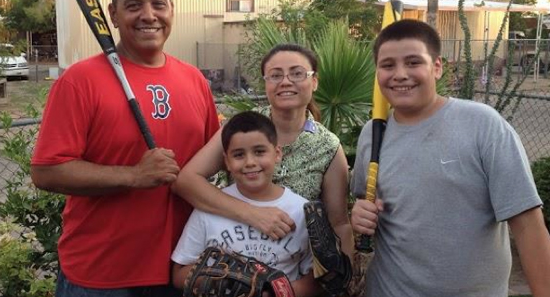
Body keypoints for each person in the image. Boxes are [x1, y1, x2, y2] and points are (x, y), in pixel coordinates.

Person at [30, 0, 220, 296]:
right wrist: (133, 176)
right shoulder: (79, 81)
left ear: (171, 10)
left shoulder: (195, 81)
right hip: (102, 275)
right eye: (134, 6)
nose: (149, 15)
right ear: (113, 15)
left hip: (182, 268)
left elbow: (211, 160)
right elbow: (47, 171)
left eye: (159, 4)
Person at [350, 19, 550, 297]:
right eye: (387, 66)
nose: (399, 74)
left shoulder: (483, 125)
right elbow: (365, 200)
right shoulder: (372, 134)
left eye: (412, 62)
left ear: (437, 67)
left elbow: (528, 224)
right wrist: (359, 213)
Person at [173, 43, 354, 258]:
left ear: (314, 82)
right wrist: (252, 214)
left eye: (297, 73)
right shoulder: (242, 127)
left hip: (294, 267)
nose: (286, 81)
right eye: (275, 75)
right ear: (265, 83)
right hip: (234, 259)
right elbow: (186, 181)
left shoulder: (327, 146)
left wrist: (342, 278)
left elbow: (339, 223)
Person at [171, 111, 321, 296]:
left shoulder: (301, 211)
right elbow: (179, 275)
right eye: (239, 155)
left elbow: (317, 279)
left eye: (259, 152)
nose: (250, 162)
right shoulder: (209, 208)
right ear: (226, 161)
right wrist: (223, 279)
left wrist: (272, 292)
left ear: (277, 153)